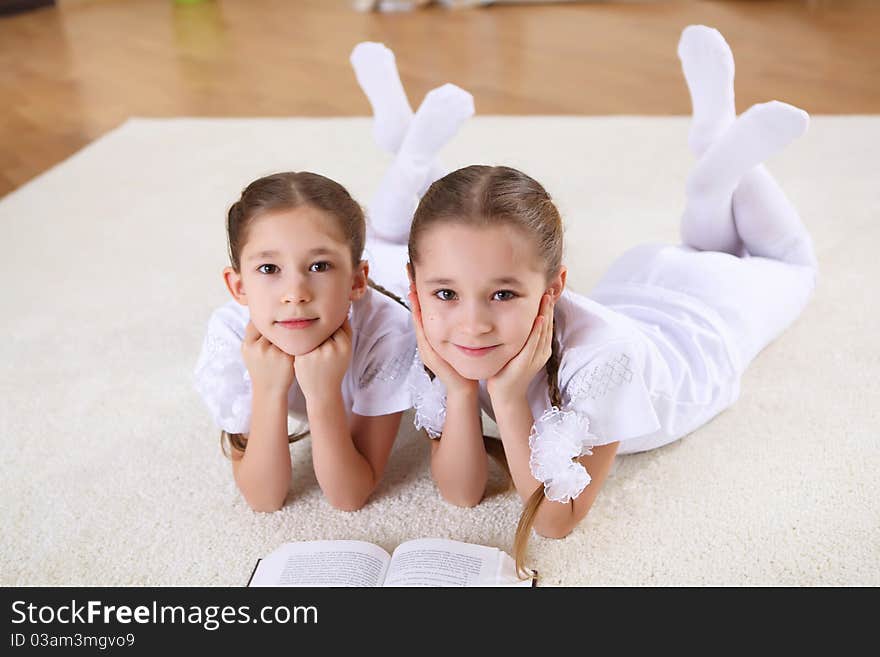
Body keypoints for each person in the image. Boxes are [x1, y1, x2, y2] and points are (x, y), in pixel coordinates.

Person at [400, 25, 817, 575]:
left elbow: (554, 521)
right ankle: (714, 171)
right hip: (637, 282)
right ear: (415, 287)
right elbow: (461, 492)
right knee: (702, 244)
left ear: (552, 290)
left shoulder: (605, 361)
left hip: (702, 322)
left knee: (792, 262)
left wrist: (505, 398)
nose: (472, 324)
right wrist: (457, 388)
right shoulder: (441, 336)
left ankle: (714, 165)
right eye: (446, 293)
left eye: (503, 293)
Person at [193, 43, 474, 513]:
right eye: (268, 269)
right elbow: (263, 499)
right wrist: (267, 390)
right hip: (369, 255)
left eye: (318, 266)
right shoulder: (228, 335)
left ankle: (409, 147)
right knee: (386, 220)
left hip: (393, 266)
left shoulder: (387, 330)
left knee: (421, 227)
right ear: (238, 286)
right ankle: (404, 141)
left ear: (355, 280)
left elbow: (351, 494)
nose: (295, 294)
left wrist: (322, 396)